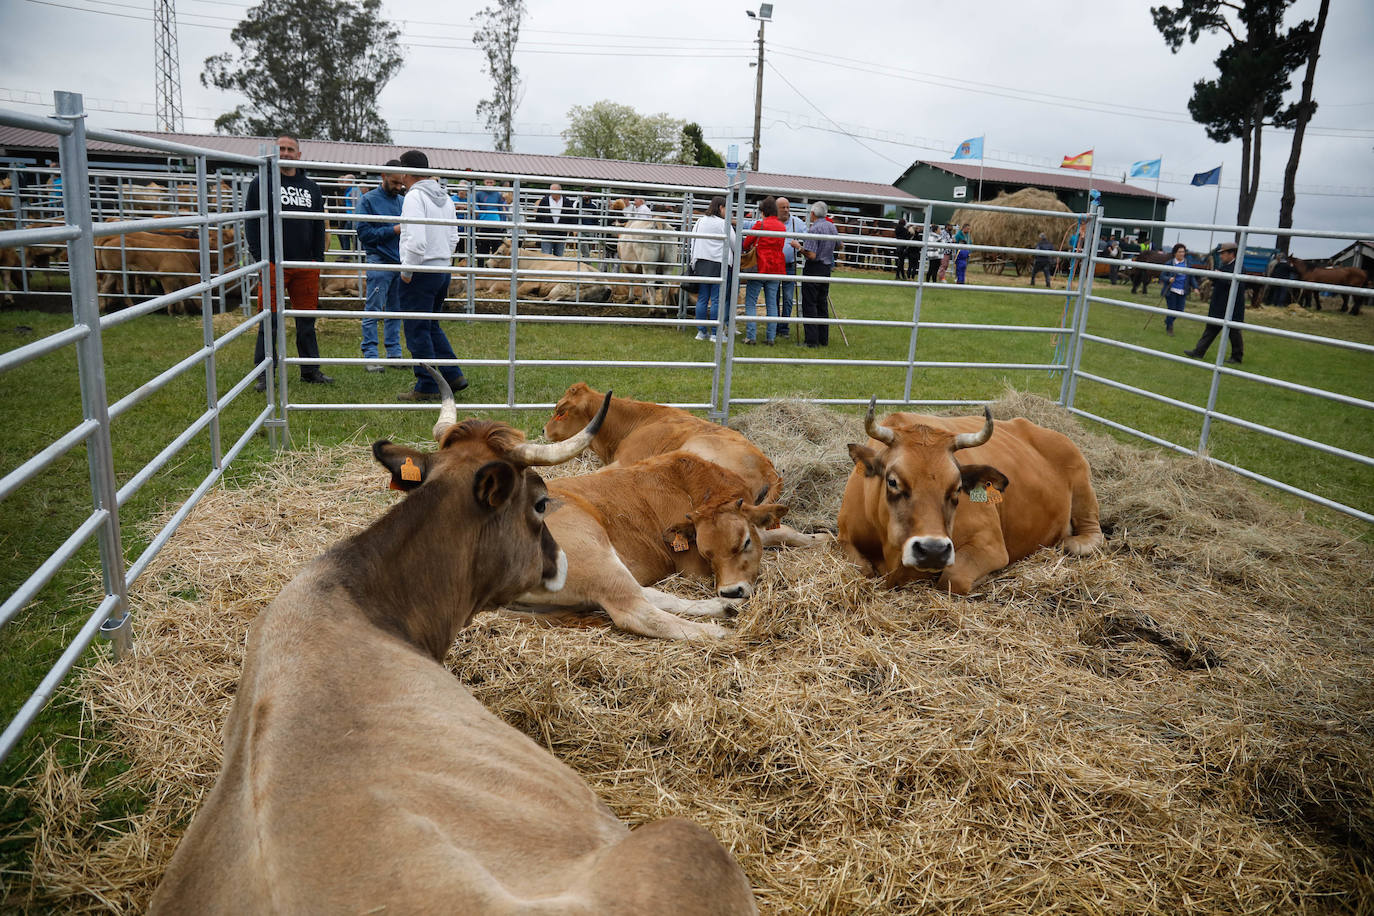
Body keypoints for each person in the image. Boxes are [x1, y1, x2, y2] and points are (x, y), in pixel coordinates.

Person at [248, 133, 331, 391]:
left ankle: (310, 369)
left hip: (305, 265)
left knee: (306, 320)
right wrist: (261, 255)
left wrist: (317, 258)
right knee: (269, 319)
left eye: (290, 149)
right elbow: (252, 220)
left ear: (299, 154)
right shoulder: (262, 182)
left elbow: (319, 225)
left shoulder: (312, 188)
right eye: (281, 149)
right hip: (273, 263)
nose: (285, 153)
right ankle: (264, 373)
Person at [395, 149, 468, 402]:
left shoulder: (415, 197)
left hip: (421, 271)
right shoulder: (444, 198)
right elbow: (453, 237)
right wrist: (444, 260)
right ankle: (452, 374)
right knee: (431, 325)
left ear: (405, 171)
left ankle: (427, 384)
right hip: (441, 270)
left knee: (417, 328)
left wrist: (407, 270)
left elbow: (415, 240)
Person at [355, 161, 405, 372]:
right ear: (383, 176)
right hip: (379, 260)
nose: (398, 187)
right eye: (394, 182)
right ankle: (371, 355)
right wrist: (393, 230)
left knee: (396, 310)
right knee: (374, 308)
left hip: (401, 261)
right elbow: (364, 234)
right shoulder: (367, 201)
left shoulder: (404, 201)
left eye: (400, 183)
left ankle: (394, 353)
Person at [1184, 241, 1245, 365]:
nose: (1221, 256)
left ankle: (1237, 357)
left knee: (1234, 333)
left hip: (1232, 306)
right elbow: (1214, 279)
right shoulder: (1224, 266)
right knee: (1211, 329)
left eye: (1223, 254)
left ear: (1231, 254)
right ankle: (1198, 352)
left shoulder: (1239, 268)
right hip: (1219, 305)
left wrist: (1220, 275)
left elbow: (1233, 284)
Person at [741, 196, 786, 346]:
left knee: (751, 301)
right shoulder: (782, 227)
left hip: (759, 266)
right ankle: (770, 337)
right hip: (776, 268)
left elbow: (747, 243)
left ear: (763, 211)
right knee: (772, 303)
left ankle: (751, 336)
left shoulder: (760, 225)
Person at [689, 195, 734, 342]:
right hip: (719, 264)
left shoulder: (700, 221)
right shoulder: (724, 223)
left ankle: (701, 332)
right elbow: (734, 243)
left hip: (701, 263)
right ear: (721, 208)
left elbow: (693, 240)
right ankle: (716, 333)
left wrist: (693, 262)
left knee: (702, 298)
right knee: (716, 300)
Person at [800, 200, 840, 348]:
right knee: (822, 303)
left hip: (814, 268)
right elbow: (840, 244)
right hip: (826, 268)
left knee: (810, 304)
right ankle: (823, 339)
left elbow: (811, 255)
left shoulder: (814, 229)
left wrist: (799, 247)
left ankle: (811, 341)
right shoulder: (831, 227)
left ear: (812, 214)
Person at [776, 196, 805, 339]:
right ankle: (773, 325)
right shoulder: (772, 221)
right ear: (776, 209)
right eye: (783, 207)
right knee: (773, 297)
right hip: (774, 266)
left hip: (790, 266)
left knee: (788, 298)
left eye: (788, 207)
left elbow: (809, 239)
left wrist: (800, 247)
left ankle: (784, 327)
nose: (786, 210)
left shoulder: (797, 222)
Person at [1159, 243, 1195, 337]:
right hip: (1171, 290)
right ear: (1175, 253)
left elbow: (1191, 277)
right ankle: (1169, 328)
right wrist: (1168, 279)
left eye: (1183, 252)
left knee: (1179, 311)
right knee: (1172, 310)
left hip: (1182, 291)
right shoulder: (1169, 263)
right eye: (1179, 252)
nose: (1182, 254)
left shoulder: (1187, 264)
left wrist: (1196, 287)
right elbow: (1162, 276)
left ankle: (1168, 320)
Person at [472, 176, 508, 266]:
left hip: (496, 223)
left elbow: (501, 208)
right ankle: (480, 268)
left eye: (491, 182)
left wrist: (502, 223)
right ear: (484, 182)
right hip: (483, 223)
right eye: (487, 182)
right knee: (482, 248)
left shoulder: (498, 194)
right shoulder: (479, 194)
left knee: (496, 247)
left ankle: (494, 267)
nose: (489, 184)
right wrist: (479, 216)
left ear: (494, 183)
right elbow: (476, 206)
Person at [533, 183, 575, 257]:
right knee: (546, 255)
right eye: (551, 191)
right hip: (547, 233)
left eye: (554, 191)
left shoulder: (567, 202)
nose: (552, 193)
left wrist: (570, 229)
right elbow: (539, 216)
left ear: (560, 191)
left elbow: (571, 217)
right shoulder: (544, 201)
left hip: (561, 234)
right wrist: (540, 230)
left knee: (559, 256)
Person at [334, 174, 360, 251]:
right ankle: (353, 254)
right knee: (350, 235)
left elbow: (356, 205)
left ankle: (348, 255)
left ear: (349, 182)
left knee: (348, 235)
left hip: (353, 217)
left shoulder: (353, 191)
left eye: (344, 181)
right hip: (351, 217)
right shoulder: (351, 190)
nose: (343, 183)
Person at [893, 216, 910, 281]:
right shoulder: (904, 230)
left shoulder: (897, 229)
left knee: (900, 262)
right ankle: (898, 275)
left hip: (898, 246)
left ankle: (902, 275)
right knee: (901, 262)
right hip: (902, 247)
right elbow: (907, 237)